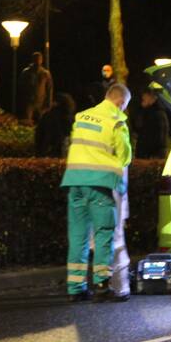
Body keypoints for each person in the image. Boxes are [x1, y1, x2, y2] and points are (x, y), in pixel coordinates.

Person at [61, 83, 132, 302]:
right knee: (103, 232)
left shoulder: (82, 117)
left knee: (78, 235)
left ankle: (76, 288)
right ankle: (102, 284)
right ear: (120, 102)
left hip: (74, 182)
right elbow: (125, 155)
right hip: (100, 185)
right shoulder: (117, 121)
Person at [36, 93, 76, 157]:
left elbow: (39, 133)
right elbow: (69, 132)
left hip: (47, 145)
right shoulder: (68, 116)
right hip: (61, 146)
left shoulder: (48, 115)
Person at [134, 88, 170, 158]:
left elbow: (155, 137)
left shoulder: (156, 113)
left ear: (150, 96)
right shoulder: (153, 111)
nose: (142, 98)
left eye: (144, 96)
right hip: (150, 154)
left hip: (151, 155)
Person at [20, 52, 53, 123]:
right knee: (27, 122)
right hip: (29, 102)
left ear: (42, 60)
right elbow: (21, 87)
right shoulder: (26, 72)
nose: (38, 60)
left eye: (39, 59)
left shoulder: (45, 73)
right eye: (36, 59)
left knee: (41, 123)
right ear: (33, 60)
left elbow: (49, 88)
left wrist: (49, 103)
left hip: (41, 102)